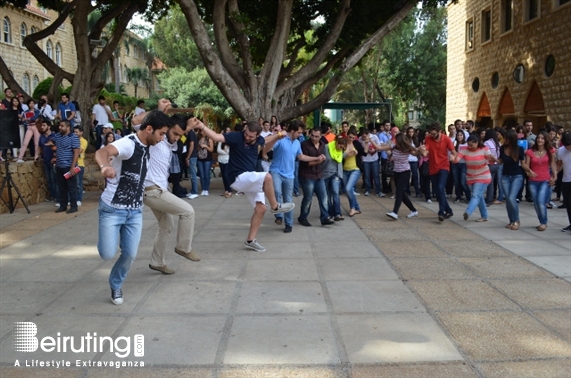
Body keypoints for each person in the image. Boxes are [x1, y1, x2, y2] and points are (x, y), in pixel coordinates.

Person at [95, 108, 170, 305]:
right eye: (161, 133)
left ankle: (116, 284)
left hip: (135, 211)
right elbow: (103, 151)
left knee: (130, 254)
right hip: (112, 209)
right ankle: (107, 239)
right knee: (107, 253)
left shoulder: (149, 143)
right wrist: (105, 166)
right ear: (149, 129)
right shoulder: (128, 144)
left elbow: (140, 119)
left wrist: (160, 110)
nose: (163, 138)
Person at [187, 119, 295, 251]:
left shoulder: (259, 139)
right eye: (246, 134)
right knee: (267, 177)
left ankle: (250, 240)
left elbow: (266, 141)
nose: (247, 137)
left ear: (257, 135)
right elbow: (216, 137)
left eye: (251, 136)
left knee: (261, 209)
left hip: (249, 178)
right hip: (238, 178)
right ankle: (275, 206)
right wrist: (202, 126)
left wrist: (278, 136)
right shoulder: (236, 136)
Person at [141, 112, 200, 275]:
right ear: (164, 129)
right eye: (174, 133)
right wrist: (159, 110)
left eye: (179, 135)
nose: (176, 137)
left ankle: (157, 262)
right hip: (153, 190)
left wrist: (187, 129)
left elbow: (178, 137)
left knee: (166, 225)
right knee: (188, 211)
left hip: (158, 190)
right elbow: (140, 123)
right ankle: (183, 248)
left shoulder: (169, 144)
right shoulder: (154, 142)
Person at [267, 120, 323, 232]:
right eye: (299, 132)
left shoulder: (297, 142)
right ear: (292, 131)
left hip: (289, 174)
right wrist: (275, 136)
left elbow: (301, 157)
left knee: (288, 200)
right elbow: (268, 147)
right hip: (276, 171)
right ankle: (279, 215)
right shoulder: (280, 139)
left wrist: (316, 158)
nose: (301, 134)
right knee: (277, 191)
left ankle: (289, 224)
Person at [451, 134, 497, 222]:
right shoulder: (464, 150)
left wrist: (493, 158)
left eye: (472, 145)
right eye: (468, 144)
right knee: (479, 197)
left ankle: (468, 212)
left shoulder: (484, 149)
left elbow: (490, 161)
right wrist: (453, 158)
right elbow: (457, 160)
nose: (469, 146)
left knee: (475, 195)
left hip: (483, 176)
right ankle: (484, 216)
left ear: (477, 143)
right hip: (470, 177)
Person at [419, 123, 457, 221]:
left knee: (440, 188)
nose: (432, 136)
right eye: (431, 134)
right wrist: (421, 150)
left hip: (444, 166)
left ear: (440, 131)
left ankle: (441, 212)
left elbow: (454, 152)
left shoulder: (446, 139)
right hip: (433, 167)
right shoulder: (428, 138)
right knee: (438, 191)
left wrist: (453, 157)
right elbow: (426, 152)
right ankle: (449, 210)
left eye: (434, 134)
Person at [297, 127, 333, 227]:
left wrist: (321, 162)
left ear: (321, 136)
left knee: (323, 197)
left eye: (316, 136)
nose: (313, 138)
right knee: (308, 198)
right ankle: (303, 217)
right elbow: (305, 163)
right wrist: (319, 160)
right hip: (307, 175)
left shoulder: (322, 144)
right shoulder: (304, 144)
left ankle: (325, 217)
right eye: (312, 135)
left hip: (319, 174)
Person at [379, 133, 420, 220]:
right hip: (396, 172)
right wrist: (371, 140)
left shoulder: (407, 148)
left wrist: (419, 150)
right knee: (402, 194)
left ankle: (395, 212)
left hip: (405, 172)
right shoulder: (394, 147)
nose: (395, 141)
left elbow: (415, 153)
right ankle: (413, 210)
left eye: (396, 140)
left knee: (398, 192)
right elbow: (379, 148)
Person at [525, 131, 557, 231]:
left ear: (546, 140)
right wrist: (529, 172)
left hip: (545, 179)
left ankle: (544, 222)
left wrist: (555, 175)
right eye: (538, 138)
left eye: (542, 138)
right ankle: (541, 220)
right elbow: (526, 165)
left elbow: (553, 164)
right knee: (536, 202)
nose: (540, 140)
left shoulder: (550, 150)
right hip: (533, 181)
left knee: (540, 201)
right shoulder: (530, 151)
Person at [499, 130, 527, 230]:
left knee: (511, 198)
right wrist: (492, 159)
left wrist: (530, 171)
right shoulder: (502, 148)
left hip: (517, 176)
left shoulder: (519, 149)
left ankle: (516, 220)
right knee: (508, 200)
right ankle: (511, 220)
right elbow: (500, 161)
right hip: (505, 176)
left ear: (511, 139)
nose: (504, 140)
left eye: (506, 138)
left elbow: (523, 163)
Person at [52, 120, 80, 214]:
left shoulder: (74, 137)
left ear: (68, 127)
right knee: (61, 187)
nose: (60, 127)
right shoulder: (57, 136)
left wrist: (72, 167)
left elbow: (76, 152)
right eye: (60, 125)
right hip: (59, 165)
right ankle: (63, 205)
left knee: (71, 186)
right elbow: (53, 143)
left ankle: (73, 206)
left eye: (62, 126)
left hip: (68, 166)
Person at [323, 133, 345, 221]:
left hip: (335, 174)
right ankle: (330, 212)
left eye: (342, 147)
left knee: (335, 193)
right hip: (325, 173)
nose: (340, 148)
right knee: (327, 195)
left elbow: (340, 159)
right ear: (336, 143)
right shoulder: (326, 147)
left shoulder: (341, 150)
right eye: (340, 146)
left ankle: (337, 213)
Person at [344, 130, 363, 217]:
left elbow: (364, 153)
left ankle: (352, 208)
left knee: (348, 189)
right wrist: (349, 153)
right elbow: (341, 157)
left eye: (353, 138)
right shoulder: (343, 143)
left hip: (355, 169)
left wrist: (357, 152)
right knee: (349, 190)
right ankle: (357, 208)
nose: (351, 139)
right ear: (347, 135)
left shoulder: (357, 143)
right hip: (344, 170)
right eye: (350, 137)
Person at [38, 118, 58, 202]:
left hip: (53, 160)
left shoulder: (54, 136)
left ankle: (56, 196)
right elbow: (39, 147)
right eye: (41, 125)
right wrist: (38, 155)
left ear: (49, 126)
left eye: (44, 125)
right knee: (49, 179)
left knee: (54, 179)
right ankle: (51, 195)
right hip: (45, 160)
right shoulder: (41, 137)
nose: (42, 127)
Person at [360, 129, 383, 196]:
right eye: (363, 136)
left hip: (374, 159)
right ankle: (367, 190)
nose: (364, 137)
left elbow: (379, 146)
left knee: (376, 175)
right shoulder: (360, 139)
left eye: (365, 136)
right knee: (367, 176)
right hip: (365, 159)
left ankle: (378, 191)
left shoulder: (374, 137)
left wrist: (374, 150)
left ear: (368, 134)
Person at [556, 131, 571, 232]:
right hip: (566, 180)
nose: (569, 149)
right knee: (569, 204)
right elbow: (559, 165)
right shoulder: (561, 151)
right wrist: (554, 175)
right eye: (567, 147)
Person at [451, 131, 469, 204]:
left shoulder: (467, 144)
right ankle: (458, 196)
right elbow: (451, 152)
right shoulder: (454, 143)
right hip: (455, 164)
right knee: (456, 181)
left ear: (463, 136)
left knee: (463, 182)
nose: (459, 137)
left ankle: (468, 196)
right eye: (458, 135)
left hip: (464, 164)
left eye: (461, 135)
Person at [196, 126, 214, 195]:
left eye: (204, 131)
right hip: (200, 158)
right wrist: (199, 146)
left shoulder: (209, 139)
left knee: (206, 174)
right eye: (201, 131)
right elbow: (196, 150)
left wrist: (205, 146)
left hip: (207, 159)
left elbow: (211, 149)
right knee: (202, 175)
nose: (203, 133)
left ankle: (206, 189)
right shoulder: (199, 139)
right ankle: (203, 188)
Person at [73, 126, 88, 206]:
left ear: (81, 132)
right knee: (72, 183)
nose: (75, 133)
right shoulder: (72, 140)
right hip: (72, 164)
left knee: (78, 183)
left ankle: (79, 199)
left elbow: (79, 151)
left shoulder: (84, 141)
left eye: (77, 132)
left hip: (79, 164)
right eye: (74, 132)